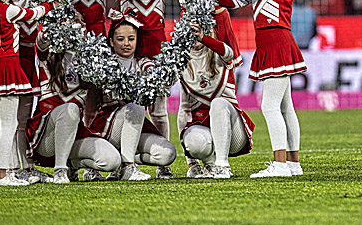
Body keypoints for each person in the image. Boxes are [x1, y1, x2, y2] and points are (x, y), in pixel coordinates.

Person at [214, 0, 305, 178]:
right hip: (269, 42)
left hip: (276, 41)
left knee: (270, 106)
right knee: (285, 107)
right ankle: (293, 163)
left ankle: (280, 164)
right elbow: (237, 1)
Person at [86, 10, 177, 180]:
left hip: (134, 129)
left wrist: (168, 73)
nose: (126, 44)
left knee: (167, 154)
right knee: (136, 107)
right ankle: (127, 167)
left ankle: (121, 162)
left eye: (131, 39)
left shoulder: (142, 63)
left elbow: (156, 75)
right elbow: (90, 108)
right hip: (107, 128)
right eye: (120, 39)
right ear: (111, 41)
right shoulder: (104, 65)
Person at [0, 0, 54, 186]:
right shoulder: (8, 10)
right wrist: (52, 3)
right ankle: (1, 175)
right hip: (7, 68)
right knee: (8, 126)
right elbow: (34, 14)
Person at [25, 33, 121, 183]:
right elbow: (41, 39)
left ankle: (72, 165)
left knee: (111, 161)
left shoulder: (88, 56)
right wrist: (57, 26)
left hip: (73, 135)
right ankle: (60, 171)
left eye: (79, 22)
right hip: (45, 137)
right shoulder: (48, 52)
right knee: (70, 109)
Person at [178, 23, 255, 179]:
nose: (195, 34)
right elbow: (183, 110)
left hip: (233, 131)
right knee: (194, 140)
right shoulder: (182, 63)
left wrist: (204, 39)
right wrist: (191, 163)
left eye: (199, 30)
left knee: (218, 103)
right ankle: (210, 164)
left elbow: (229, 53)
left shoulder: (219, 53)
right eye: (191, 30)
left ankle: (222, 165)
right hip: (204, 127)